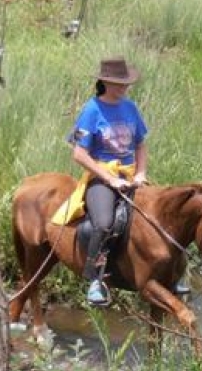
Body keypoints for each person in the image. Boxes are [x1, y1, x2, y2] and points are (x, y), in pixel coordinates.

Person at [68, 57, 149, 306]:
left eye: (125, 83)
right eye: (117, 83)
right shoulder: (91, 110)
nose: (123, 88)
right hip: (102, 176)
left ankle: (170, 273)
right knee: (103, 223)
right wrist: (110, 179)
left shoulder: (131, 108)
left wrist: (141, 173)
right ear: (104, 82)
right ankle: (95, 280)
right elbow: (78, 153)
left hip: (129, 175)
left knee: (163, 215)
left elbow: (141, 143)